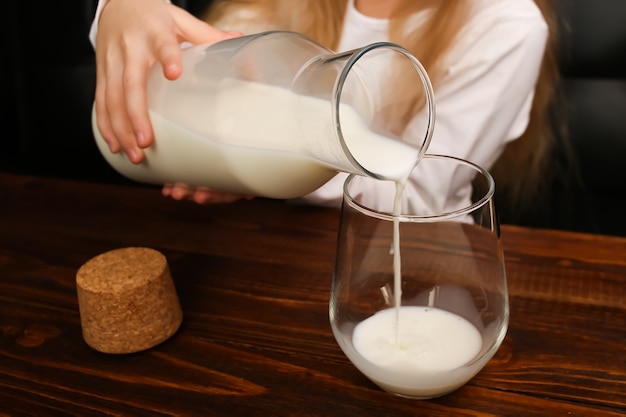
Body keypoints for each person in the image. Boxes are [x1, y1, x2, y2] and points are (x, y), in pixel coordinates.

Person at [90, 0, 563, 217]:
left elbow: (416, 196)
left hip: (416, 256)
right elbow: (196, 63)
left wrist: (263, 174)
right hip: (260, 247)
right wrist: (121, 8)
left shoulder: (506, 22)